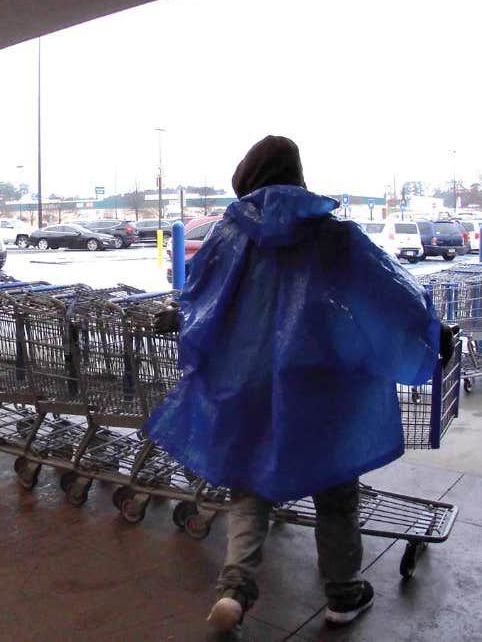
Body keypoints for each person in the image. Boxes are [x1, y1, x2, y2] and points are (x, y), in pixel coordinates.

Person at [144, 136, 446, 632]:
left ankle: (235, 592)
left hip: (242, 381)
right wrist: (434, 335)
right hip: (321, 385)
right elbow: (391, 295)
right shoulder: (333, 236)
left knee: (250, 486)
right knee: (334, 491)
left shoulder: (227, 235)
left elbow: (198, 298)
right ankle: (344, 593)